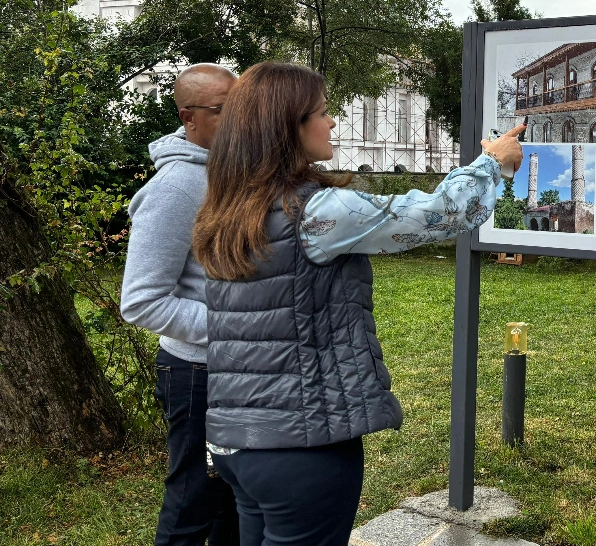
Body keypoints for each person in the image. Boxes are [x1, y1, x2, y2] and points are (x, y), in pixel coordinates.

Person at [191, 62, 524, 546]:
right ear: (289, 127)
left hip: (236, 442)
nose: (333, 123)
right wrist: (492, 162)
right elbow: (434, 216)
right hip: (302, 447)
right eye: (322, 113)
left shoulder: (227, 207)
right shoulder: (313, 211)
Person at [120, 63, 240, 546]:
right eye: (222, 111)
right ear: (189, 118)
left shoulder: (228, 172)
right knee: (194, 501)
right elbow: (142, 302)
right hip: (196, 375)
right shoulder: (176, 188)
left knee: (232, 499)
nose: (236, 121)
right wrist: (234, 326)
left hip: (236, 369)